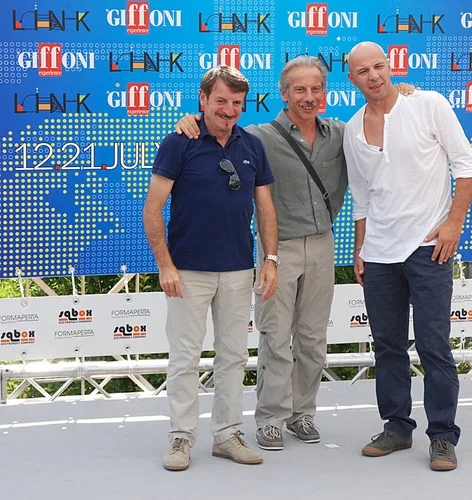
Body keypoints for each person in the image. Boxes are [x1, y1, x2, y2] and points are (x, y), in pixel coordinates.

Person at [175, 58, 414, 451]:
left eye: (315, 89)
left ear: (325, 92)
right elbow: (219, 126)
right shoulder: (259, 136)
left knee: (312, 338)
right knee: (274, 336)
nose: (308, 97)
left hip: (323, 244)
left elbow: (384, 117)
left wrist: (405, 94)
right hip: (277, 249)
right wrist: (191, 122)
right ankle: (270, 418)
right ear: (284, 95)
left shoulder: (342, 132)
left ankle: (303, 415)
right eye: (299, 90)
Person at [343, 42, 472, 471]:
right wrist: (360, 246)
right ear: (353, 79)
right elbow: (361, 196)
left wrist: (454, 223)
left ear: (391, 66)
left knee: (434, 344)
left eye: (379, 66)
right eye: (363, 71)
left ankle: (442, 437)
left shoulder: (428, 104)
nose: (373, 76)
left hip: (428, 248)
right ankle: (397, 428)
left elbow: (466, 164)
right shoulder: (351, 128)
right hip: (379, 253)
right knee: (387, 346)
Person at [143, 65, 278, 471]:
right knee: (185, 358)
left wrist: (269, 260)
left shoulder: (252, 145)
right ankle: (181, 439)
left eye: (236, 103)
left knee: (234, 357)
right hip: (187, 271)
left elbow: (266, 208)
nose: (229, 109)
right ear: (203, 101)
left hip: (239, 270)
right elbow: (153, 211)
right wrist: (165, 265)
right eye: (221, 101)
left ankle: (227, 435)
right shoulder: (178, 142)